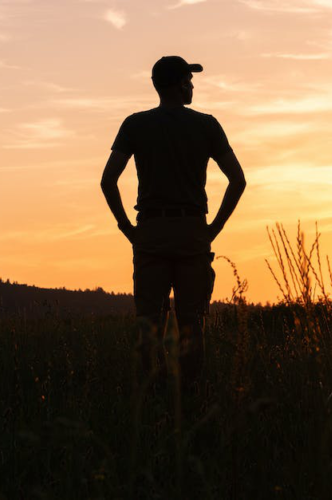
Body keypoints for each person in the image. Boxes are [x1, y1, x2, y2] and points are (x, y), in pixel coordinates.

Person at [100, 55, 246, 387]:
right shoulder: (207, 125)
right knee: (192, 323)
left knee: (148, 323)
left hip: (149, 231)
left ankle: (151, 398)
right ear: (181, 85)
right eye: (190, 80)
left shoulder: (134, 125)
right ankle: (189, 397)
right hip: (193, 232)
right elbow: (237, 180)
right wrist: (214, 229)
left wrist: (128, 229)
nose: (192, 85)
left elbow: (108, 181)